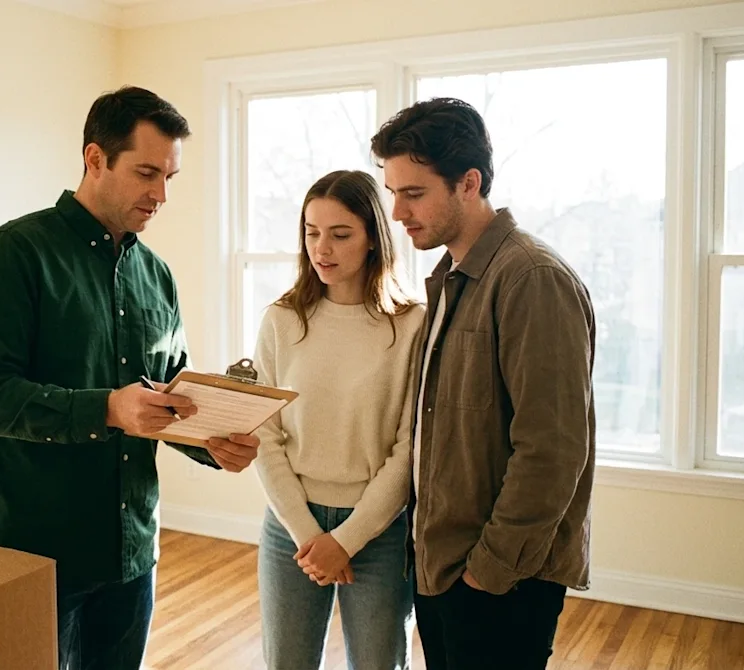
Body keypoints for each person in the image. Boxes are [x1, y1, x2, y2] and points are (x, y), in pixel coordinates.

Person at [0, 85, 262, 670]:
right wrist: (107, 409)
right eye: (147, 173)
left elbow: (169, 394)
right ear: (95, 158)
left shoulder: (156, 274)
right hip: (32, 551)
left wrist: (213, 444)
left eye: (170, 177)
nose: (161, 194)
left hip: (131, 553)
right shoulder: (14, 254)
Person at [371, 97, 597, 670]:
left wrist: (489, 571)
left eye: (414, 193)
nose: (397, 212)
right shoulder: (450, 278)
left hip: (499, 578)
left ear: (468, 183)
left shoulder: (532, 278)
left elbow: (552, 450)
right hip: (442, 564)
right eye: (393, 192)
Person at [253, 170, 424, 670]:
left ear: (374, 237)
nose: (321, 249)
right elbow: (266, 436)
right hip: (291, 527)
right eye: (311, 232)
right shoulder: (282, 320)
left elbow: (408, 448)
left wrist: (346, 541)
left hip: (379, 532)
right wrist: (310, 537)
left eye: (340, 234)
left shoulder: (411, 324)